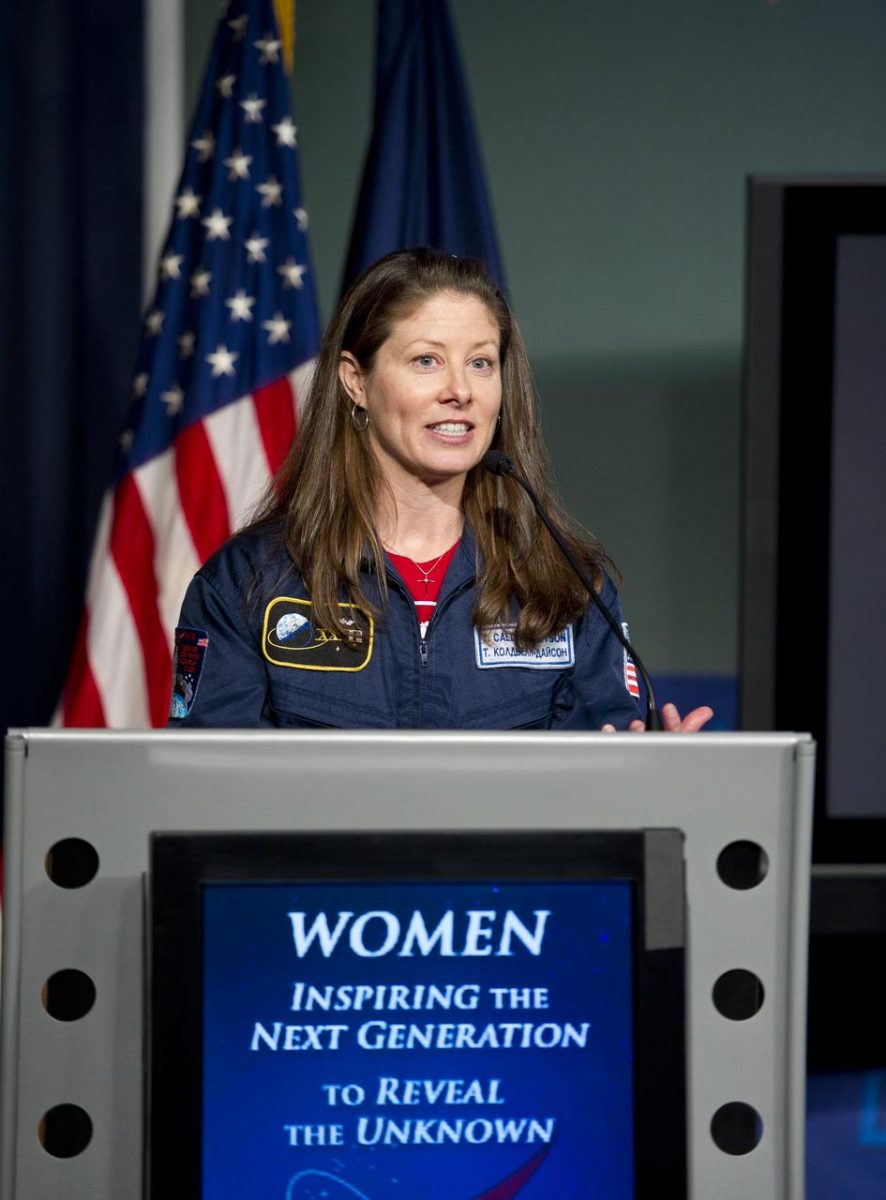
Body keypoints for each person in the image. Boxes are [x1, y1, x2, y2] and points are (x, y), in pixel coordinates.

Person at [168, 248, 711, 732]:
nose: (460, 391)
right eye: (427, 361)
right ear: (356, 380)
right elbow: (211, 801)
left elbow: (600, 808)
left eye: (481, 363)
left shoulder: (568, 585)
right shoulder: (247, 582)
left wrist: (650, 779)